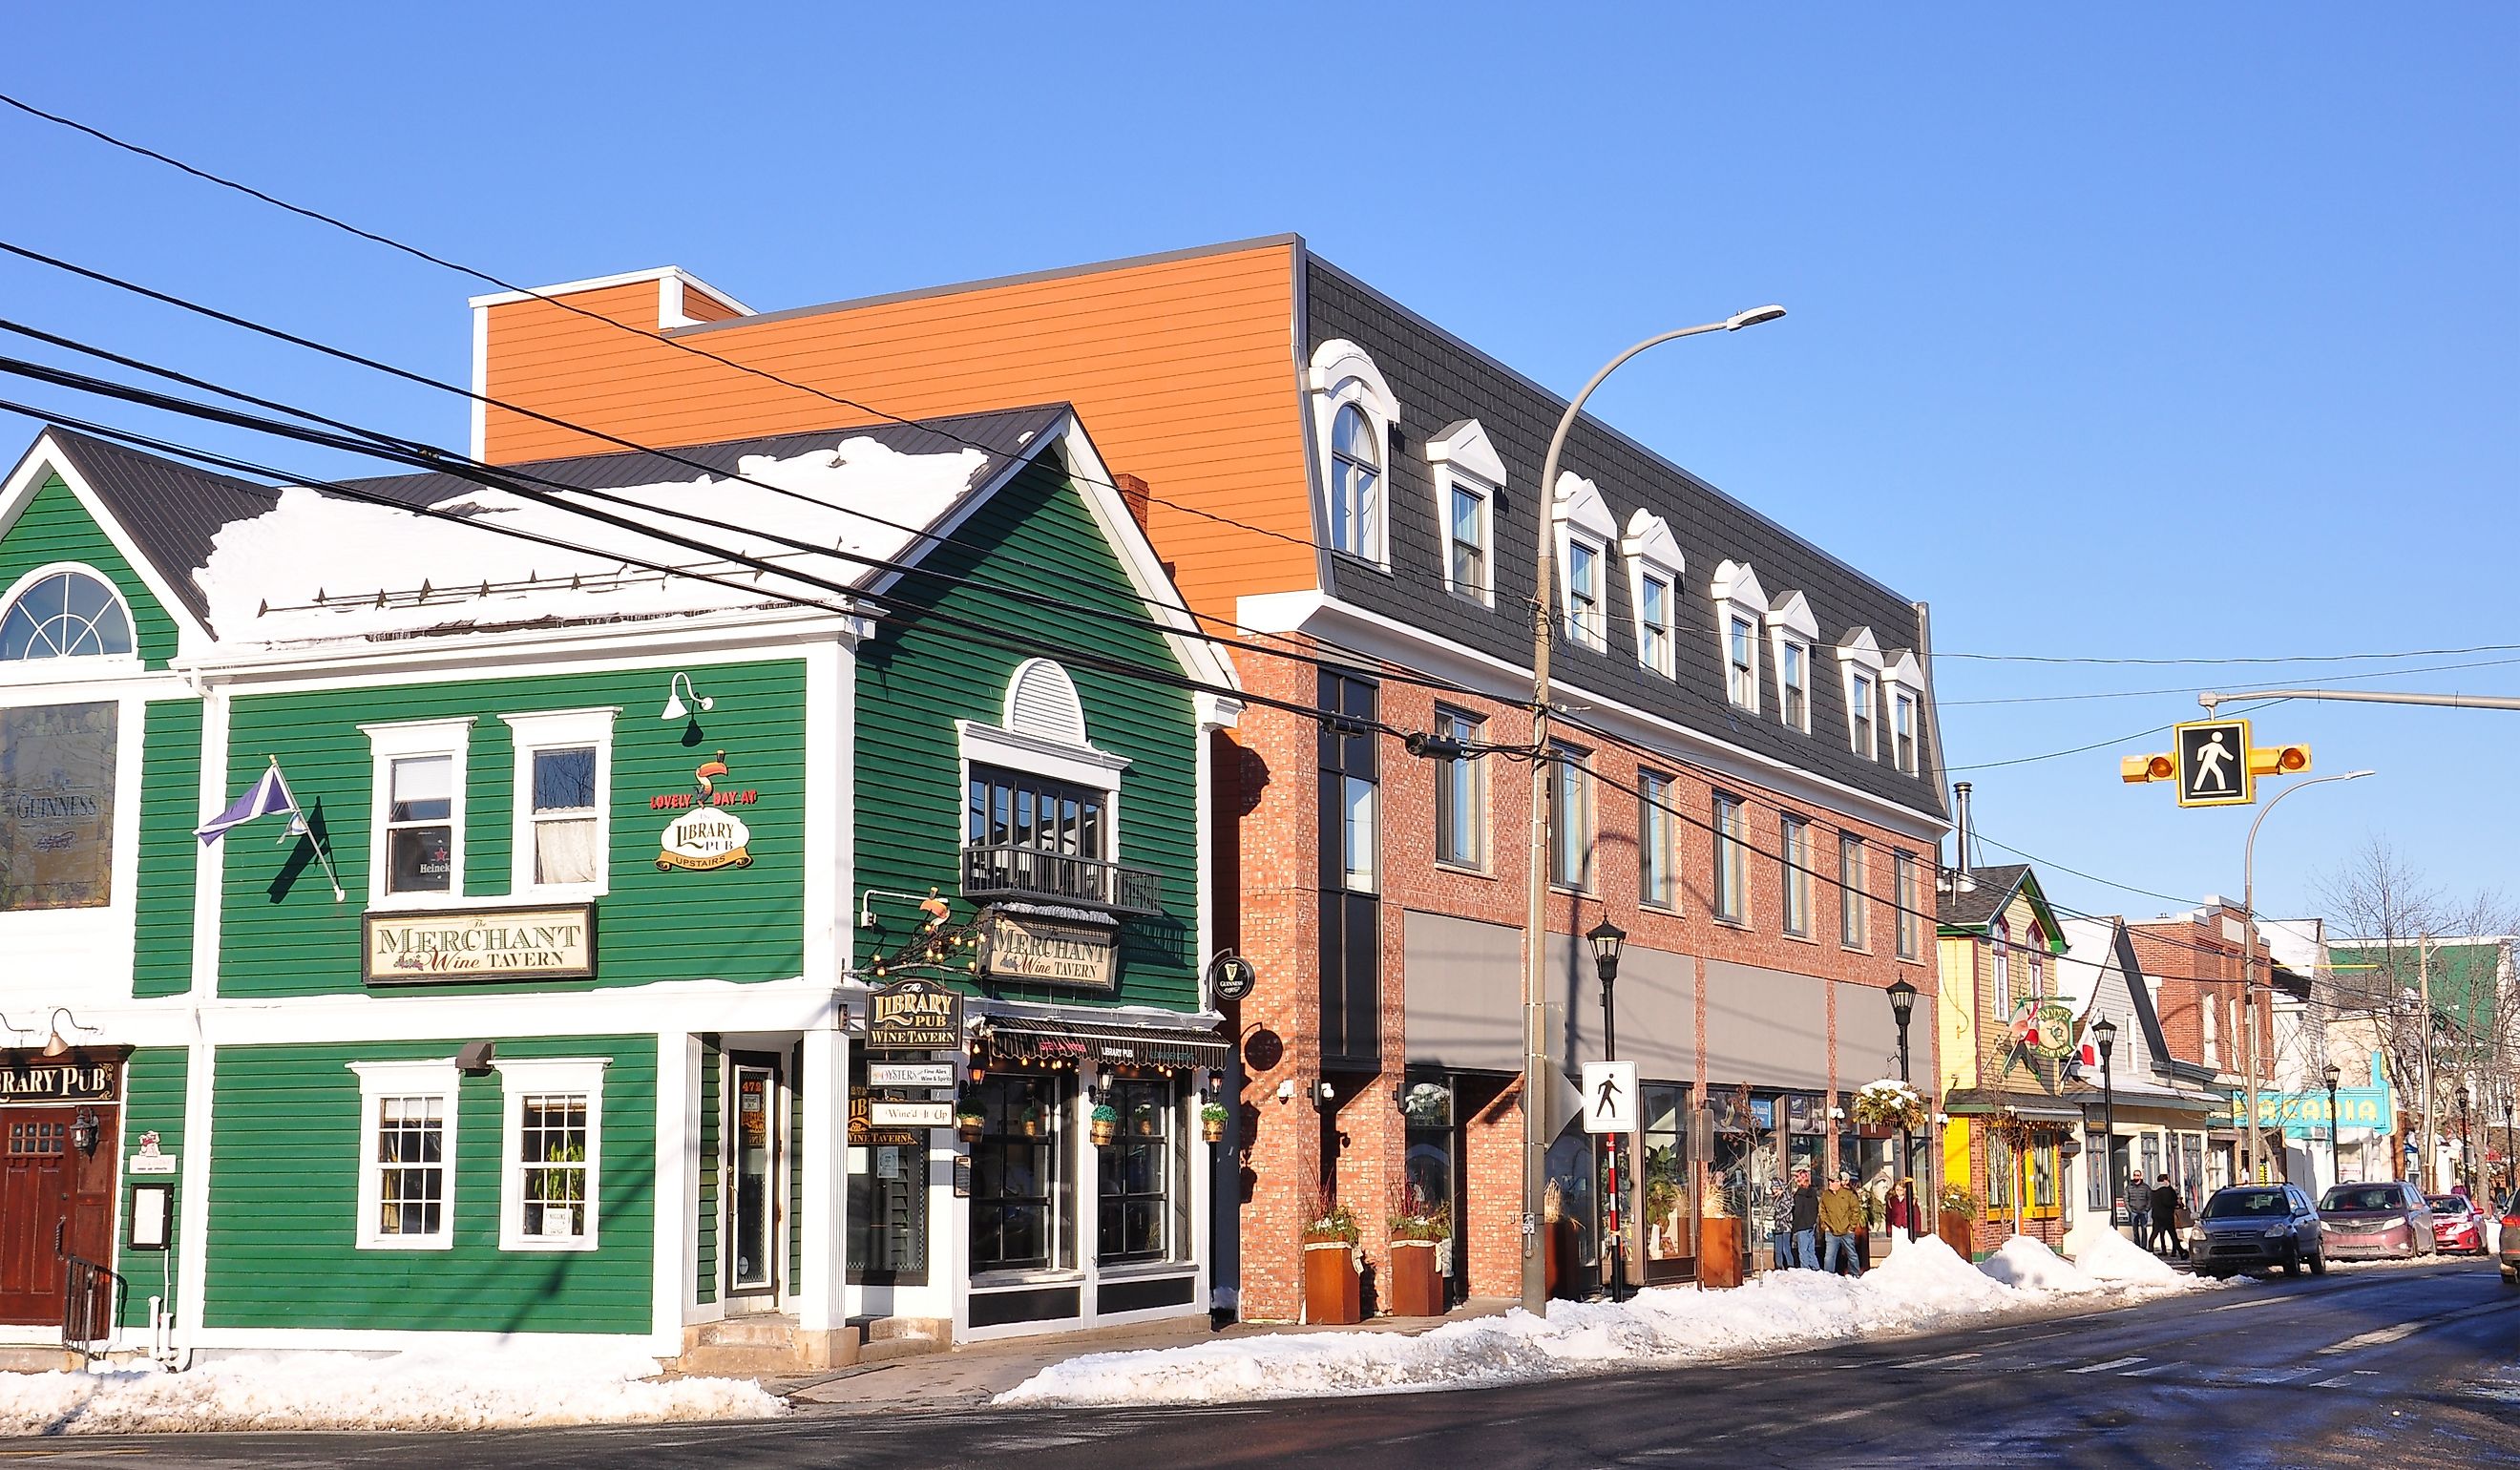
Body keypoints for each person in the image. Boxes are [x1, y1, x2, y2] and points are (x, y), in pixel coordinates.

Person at [1820, 1171, 1865, 1276]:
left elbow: (1856, 1210)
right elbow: (1822, 1211)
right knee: (1829, 1256)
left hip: (1846, 1231)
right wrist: (1825, 1226)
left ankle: (1855, 1274)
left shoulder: (1848, 1194)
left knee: (1852, 1254)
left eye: (1833, 1181)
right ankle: (1828, 1276)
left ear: (1839, 1182)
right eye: (1829, 1181)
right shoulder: (1826, 1195)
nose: (1830, 1183)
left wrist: (1852, 1227)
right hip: (1831, 1231)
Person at [1789, 1166, 1820, 1270]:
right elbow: (1816, 1208)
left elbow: (1798, 1212)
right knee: (1811, 1249)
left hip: (1802, 1225)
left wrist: (1794, 1227)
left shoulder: (1799, 1195)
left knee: (1803, 1251)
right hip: (1812, 1224)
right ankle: (1816, 1269)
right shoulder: (1812, 1192)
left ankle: (1805, 1270)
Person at [2149, 1173, 2187, 1258]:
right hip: (2166, 1215)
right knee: (2173, 1234)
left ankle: (2150, 1249)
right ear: (2165, 1180)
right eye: (2167, 1179)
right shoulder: (2165, 1190)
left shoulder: (2154, 1190)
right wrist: (2176, 1203)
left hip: (2156, 1215)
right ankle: (2181, 1252)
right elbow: (2167, 1202)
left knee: (2154, 1233)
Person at [1885, 1178, 1921, 1242]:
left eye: (1901, 1190)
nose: (1898, 1192)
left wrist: (1912, 1183)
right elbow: (1888, 1216)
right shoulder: (1891, 1200)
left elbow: (1915, 1195)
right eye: (1897, 1190)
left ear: (1905, 1189)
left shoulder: (1909, 1199)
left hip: (1907, 1227)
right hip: (1896, 1227)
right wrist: (1889, 1230)